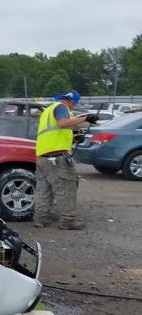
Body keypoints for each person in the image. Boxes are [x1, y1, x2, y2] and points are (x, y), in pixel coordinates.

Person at [33, 90, 98, 230]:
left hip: (42, 157)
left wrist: (74, 137)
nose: (73, 107)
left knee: (44, 189)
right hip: (57, 158)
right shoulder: (62, 107)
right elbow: (62, 123)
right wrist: (86, 118)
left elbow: (54, 132)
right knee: (67, 187)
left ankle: (40, 219)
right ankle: (67, 221)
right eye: (74, 104)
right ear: (70, 101)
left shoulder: (48, 110)